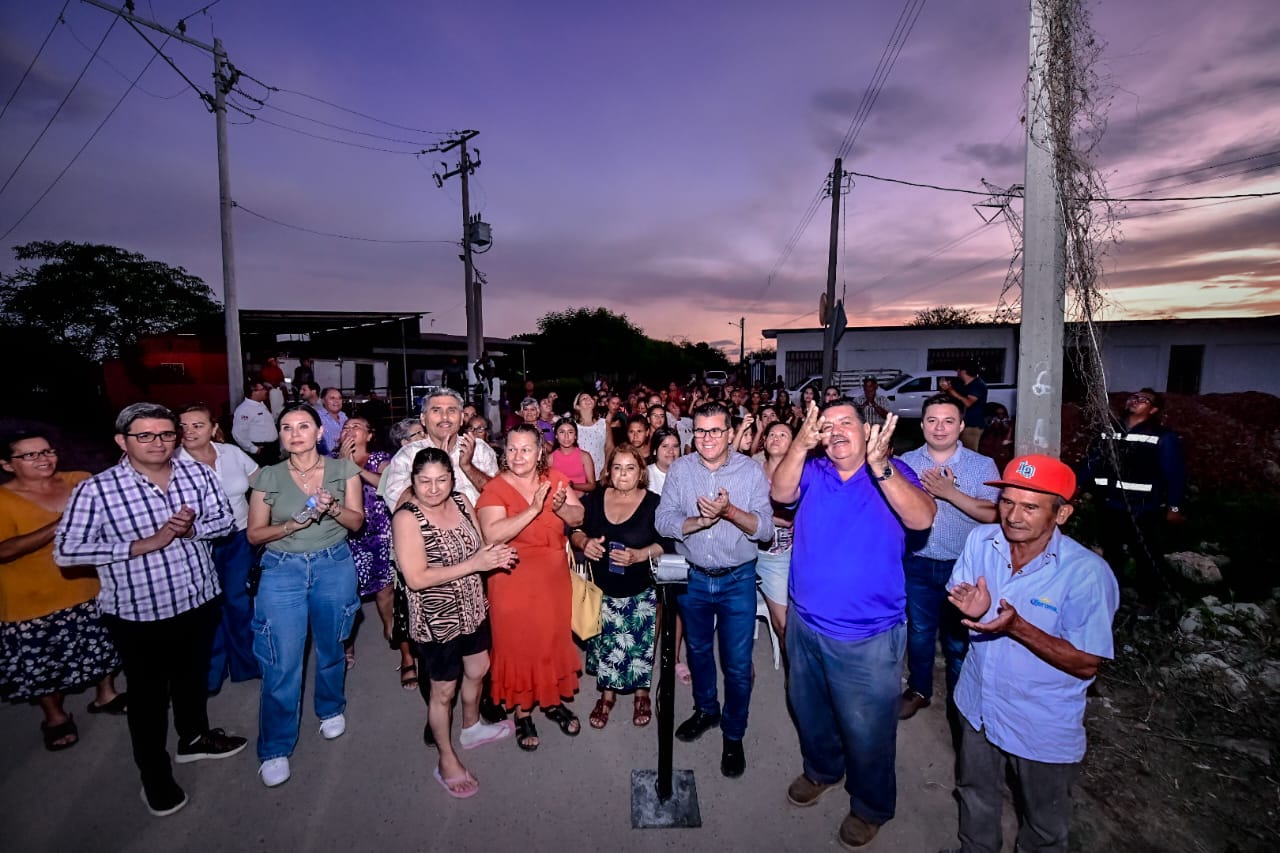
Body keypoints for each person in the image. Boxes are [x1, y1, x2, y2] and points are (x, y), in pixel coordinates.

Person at [55, 403, 245, 817]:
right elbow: (67, 551)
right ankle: (155, 777)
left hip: (198, 598)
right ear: (122, 441)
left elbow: (225, 520)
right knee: (148, 699)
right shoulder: (98, 489)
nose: (158, 443)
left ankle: (193, 739)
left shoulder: (196, 473)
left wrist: (193, 529)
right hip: (139, 613)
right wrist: (143, 544)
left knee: (191, 680)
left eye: (165, 434)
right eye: (145, 435)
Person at [770, 399, 935, 849]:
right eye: (828, 425)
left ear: (867, 430)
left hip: (868, 634)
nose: (837, 431)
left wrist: (881, 467)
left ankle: (870, 805)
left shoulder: (893, 473)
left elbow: (922, 517)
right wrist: (800, 447)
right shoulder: (813, 470)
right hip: (805, 622)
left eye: (847, 423)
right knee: (810, 709)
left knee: (868, 728)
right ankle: (822, 769)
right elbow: (780, 493)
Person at [942, 454, 1119, 853]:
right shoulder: (980, 541)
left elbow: (1087, 662)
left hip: (1040, 723)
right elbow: (962, 595)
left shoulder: (1086, 574)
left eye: (1031, 506)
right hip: (978, 704)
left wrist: (1017, 627)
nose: (1013, 516)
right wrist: (968, 607)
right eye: (1007, 501)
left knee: (1043, 824)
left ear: (1062, 513)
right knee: (975, 794)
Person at [246, 403, 364, 788]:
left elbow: (357, 521)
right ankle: (276, 746)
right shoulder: (268, 476)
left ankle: (330, 708)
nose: (294, 433)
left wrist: (331, 510)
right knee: (281, 661)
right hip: (283, 570)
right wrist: (289, 526)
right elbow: (254, 535)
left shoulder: (343, 470)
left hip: (334, 564)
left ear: (319, 433)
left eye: (303, 426)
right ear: (280, 436)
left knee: (332, 646)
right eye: (286, 427)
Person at [655, 401, 775, 778]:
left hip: (737, 579)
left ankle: (733, 735)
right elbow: (663, 520)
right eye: (701, 431)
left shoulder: (750, 471)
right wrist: (697, 522)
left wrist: (728, 512)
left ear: (729, 433)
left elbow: (766, 530)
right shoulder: (680, 469)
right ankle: (706, 709)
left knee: (737, 666)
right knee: (700, 653)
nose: (707, 438)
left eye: (716, 431)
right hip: (692, 577)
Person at [392, 447, 517, 798]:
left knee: (478, 668)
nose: (433, 488)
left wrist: (497, 553)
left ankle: (472, 726)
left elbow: (481, 545)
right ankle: (446, 758)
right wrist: (476, 564)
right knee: (443, 690)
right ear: (413, 482)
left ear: (452, 478)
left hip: (473, 607)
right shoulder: (407, 517)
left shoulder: (462, 502)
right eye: (424, 481)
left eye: (441, 480)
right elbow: (416, 578)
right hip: (437, 618)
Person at [1, 431, 126, 752]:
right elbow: (5, 549)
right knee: (42, 663)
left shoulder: (79, 480)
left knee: (100, 646)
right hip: (33, 599)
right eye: (29, 455)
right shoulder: (4, 500)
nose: (43, 459)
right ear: (6, 464)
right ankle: (55, 716)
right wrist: (61, 523)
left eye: (47, 451)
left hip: (89, 586)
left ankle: (106, 694)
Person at [475, 424, 585, 751]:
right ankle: (523, 712)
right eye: (512, 449)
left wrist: (561, 505)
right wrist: (534, 509)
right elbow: (493, 535)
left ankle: (551, 702)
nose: (518, 455)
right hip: (512, 580)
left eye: (526, 449)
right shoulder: (494, 488)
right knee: (518, 646)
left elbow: (578, 518)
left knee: (551, 641)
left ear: (540, 452)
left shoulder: (554, 478)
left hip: (553, 581)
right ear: (503, 452)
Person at [897, 395, 999, 721]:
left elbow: (993, 513)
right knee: (920, 632)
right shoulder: (906, 463)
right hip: (917, 561)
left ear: (961, 426)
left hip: (963, 567)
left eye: (948, 421)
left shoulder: (981, 466)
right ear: (922, 424)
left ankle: (960, 703)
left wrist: (949, 493)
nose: (939, 428)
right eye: (932, 420)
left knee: (958, 639)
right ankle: (919, 690)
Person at [570, 444, 664, 729]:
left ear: (641, 472)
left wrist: (639, 554)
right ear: (608, 471)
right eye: (617, 467)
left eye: (630, 468)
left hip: (640, 591)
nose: (623, 474)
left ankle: (641, 694)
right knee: (607, 645)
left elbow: (668, 544)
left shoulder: (654, 503)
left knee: (639, 648)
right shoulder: (596, 500)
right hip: (602, 590)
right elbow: (574, 530)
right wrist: (584, 543)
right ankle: (606, 695)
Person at [177, 404, 261, 693]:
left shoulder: (231, 453)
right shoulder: (173, 462)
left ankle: (245, 664)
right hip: (197, 543)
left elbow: (260, 483)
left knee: (238, 601)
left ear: (213, 428)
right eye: (183, 426)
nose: (189, 431)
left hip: (237, 537)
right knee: (207, 606)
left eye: (197, 425)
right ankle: (212, 671)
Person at [1083, 388, 1187, 617]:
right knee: (1111, 554)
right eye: (1134, 396)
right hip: (1109, 505)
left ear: (1154, 409)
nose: (1135, 400)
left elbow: (1174, 474)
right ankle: (1111, 598)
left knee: (1145, 556)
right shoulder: (1109, 431)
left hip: (1143, 508)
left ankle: (1148, 601)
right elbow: (1092, 463)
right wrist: (1076, 487)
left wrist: (1174, 507)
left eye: (1144, 399)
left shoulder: (1162, 436)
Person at [334, 417, 413, 683]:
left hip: (381, 532)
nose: (349, 430)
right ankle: (347, 643)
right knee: (347, 593)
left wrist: (352, 468)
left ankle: (390, 628)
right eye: (346, 427)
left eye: (356, 426)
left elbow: (387, 484)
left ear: (369, 435)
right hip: (346, 535)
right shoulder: (329, 461)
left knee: (385, 589)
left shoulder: (380, 458)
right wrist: (341, 467)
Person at [379, 389, 499, 510]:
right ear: (423, 418)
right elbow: (400, 508)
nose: (445, 417)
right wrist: (436, 465)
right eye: (436, 411)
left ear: (462, 418)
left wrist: (468, 467)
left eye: (451, 410)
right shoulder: (407, 454)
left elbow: (498, 498)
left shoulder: (479, 448)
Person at [755, 421, 796, 650]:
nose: (776, 438)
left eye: (783, 434)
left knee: (784, 626)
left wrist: (760, 516)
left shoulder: (800, 473)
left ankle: (794, 682)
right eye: (771, 434)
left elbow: (793, 518)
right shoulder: (752, 469)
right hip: (747, 551)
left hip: (778, 556)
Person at [940, 363, 988, 451]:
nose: (957, 372)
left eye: (958, 370)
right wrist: (945, 389)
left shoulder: (978, 385)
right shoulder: (962, 384)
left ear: (964, 371)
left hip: (972, 425)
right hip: (961, 424)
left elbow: (968, 402)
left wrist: (950, 390)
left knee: (969, 453)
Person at [232, 380, 279, 466]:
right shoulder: (244, 410)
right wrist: (253, 449)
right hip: (261, 450)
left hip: (272, 448)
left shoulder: (261, 405)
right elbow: (238, 433)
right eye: (262, 389)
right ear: (254, 392)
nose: (266, 391)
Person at [548, 418, 597, 494]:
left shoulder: (584, 456)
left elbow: (592, 485)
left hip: (582, 501)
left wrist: (573, 485)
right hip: (557, 501)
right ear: (556, 436)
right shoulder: (551, 458)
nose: (566, 436)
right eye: (562, 432)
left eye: (570, 432)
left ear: (575, 436)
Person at [572, 393, 609, 475]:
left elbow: (609, 447)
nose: (588, 399)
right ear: (577, 406)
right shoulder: (572, 426)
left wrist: (606, 468)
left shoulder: (603, 423)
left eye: (590, 397)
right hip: (579, 474)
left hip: (600, 473)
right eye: (584, 398)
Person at [977, 404, 1015, 474]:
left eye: (1003, 415)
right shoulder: (987, 437)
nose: (1000, 418)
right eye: (997, 415)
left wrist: (1010, 429)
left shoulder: (1010, 433)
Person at [317, 388, 348, 457]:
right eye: (332, 398)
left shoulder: (344, 416)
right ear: (323, 401)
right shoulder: (316, 418)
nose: (337, 401)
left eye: (339, 398)